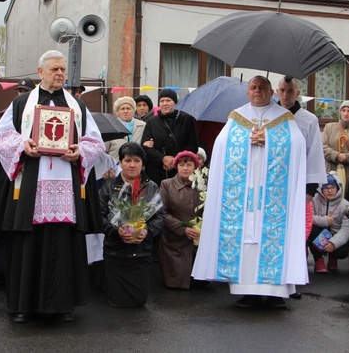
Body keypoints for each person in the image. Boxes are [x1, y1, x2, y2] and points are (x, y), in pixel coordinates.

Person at [0, 50, 105, 323]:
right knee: (28, 244)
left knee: (64, 243)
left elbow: (95, 142)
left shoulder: (77, 105)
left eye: (63, 69)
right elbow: (0, 137)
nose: (60, 74)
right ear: (40, 72)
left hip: (66, 184)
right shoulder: (21, 104)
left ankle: (61, 305)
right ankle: (22, 306)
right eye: (54, 69)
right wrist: (22, 145)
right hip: (31, 184)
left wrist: (79, 152)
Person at [192, 76, 308, 308]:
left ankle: (276, 294)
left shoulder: (284, 118)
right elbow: (222, 148)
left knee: (273, 236)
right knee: (244, 239)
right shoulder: (237, 117)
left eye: (262, 88)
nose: (258, 91)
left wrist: (270, 139)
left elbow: (297, 147)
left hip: (274, 198)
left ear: (271, 92)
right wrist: (247, 140)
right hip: (242, 197)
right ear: (248, 92)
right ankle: (248, 292)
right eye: (253, 87)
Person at [100, 142, 164, 306]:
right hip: (116, 252)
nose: (132, 165)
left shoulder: (151, 187)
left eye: (137, 160)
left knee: (138, 301)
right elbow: (99, 217)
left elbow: (159, 217)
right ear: (120, 162)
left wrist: (146, 232)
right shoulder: (109, 187)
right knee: (117, 301)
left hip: (141, 252)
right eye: (127, 160)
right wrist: (117, 231)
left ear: (143, 163)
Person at [158, 150, 204, 289]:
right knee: (176, 284)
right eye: (181, 165)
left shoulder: (203, 184)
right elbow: (162, 212)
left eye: (189, 165)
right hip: (174, 239)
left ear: (195, 167)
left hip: (198, 238)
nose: (185, 168)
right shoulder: (166, 184)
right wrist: (183, 229)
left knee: (200, 285)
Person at [276, 76, 327, 198]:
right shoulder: (268, 116)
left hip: (297, 179)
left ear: (297, 93)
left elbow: (314, 153)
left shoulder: (309, 120)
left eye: (290, 91)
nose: (285, 95)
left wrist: (310, 189)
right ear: (276, 92)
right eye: (282, 90)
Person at [141, 88, 199, 187]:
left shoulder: (187, 120)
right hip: (156, 172)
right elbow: (145, 148)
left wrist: (175, 160)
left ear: (175, 103)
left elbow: (193, 146)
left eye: (168, 100)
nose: (165, 104)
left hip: (180, 171)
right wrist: (162, 158)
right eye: (162, 101)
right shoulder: (151, 122)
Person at [309, 174, 349, 273]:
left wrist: (333, 243)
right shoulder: (314, 200)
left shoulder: (345, 204)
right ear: (321, 189)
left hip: (336, 233)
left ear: (337, 188)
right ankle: (318, 260)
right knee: (310, 229)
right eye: (326, 188)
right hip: (320, 233)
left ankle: (333, 257)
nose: (329, 191)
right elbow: (308, 217)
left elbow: (346, 228)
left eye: (332, 188)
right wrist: (324, 221)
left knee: (342, 251)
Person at [105, 96, 146, 161]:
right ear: (117, 112)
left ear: (133, 110)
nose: (125, 111)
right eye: (122, 109)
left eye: (128, 108)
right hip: (116, 167)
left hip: (136, 166)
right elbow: (105, 151)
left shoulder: (142, 126)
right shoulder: (111, 127)